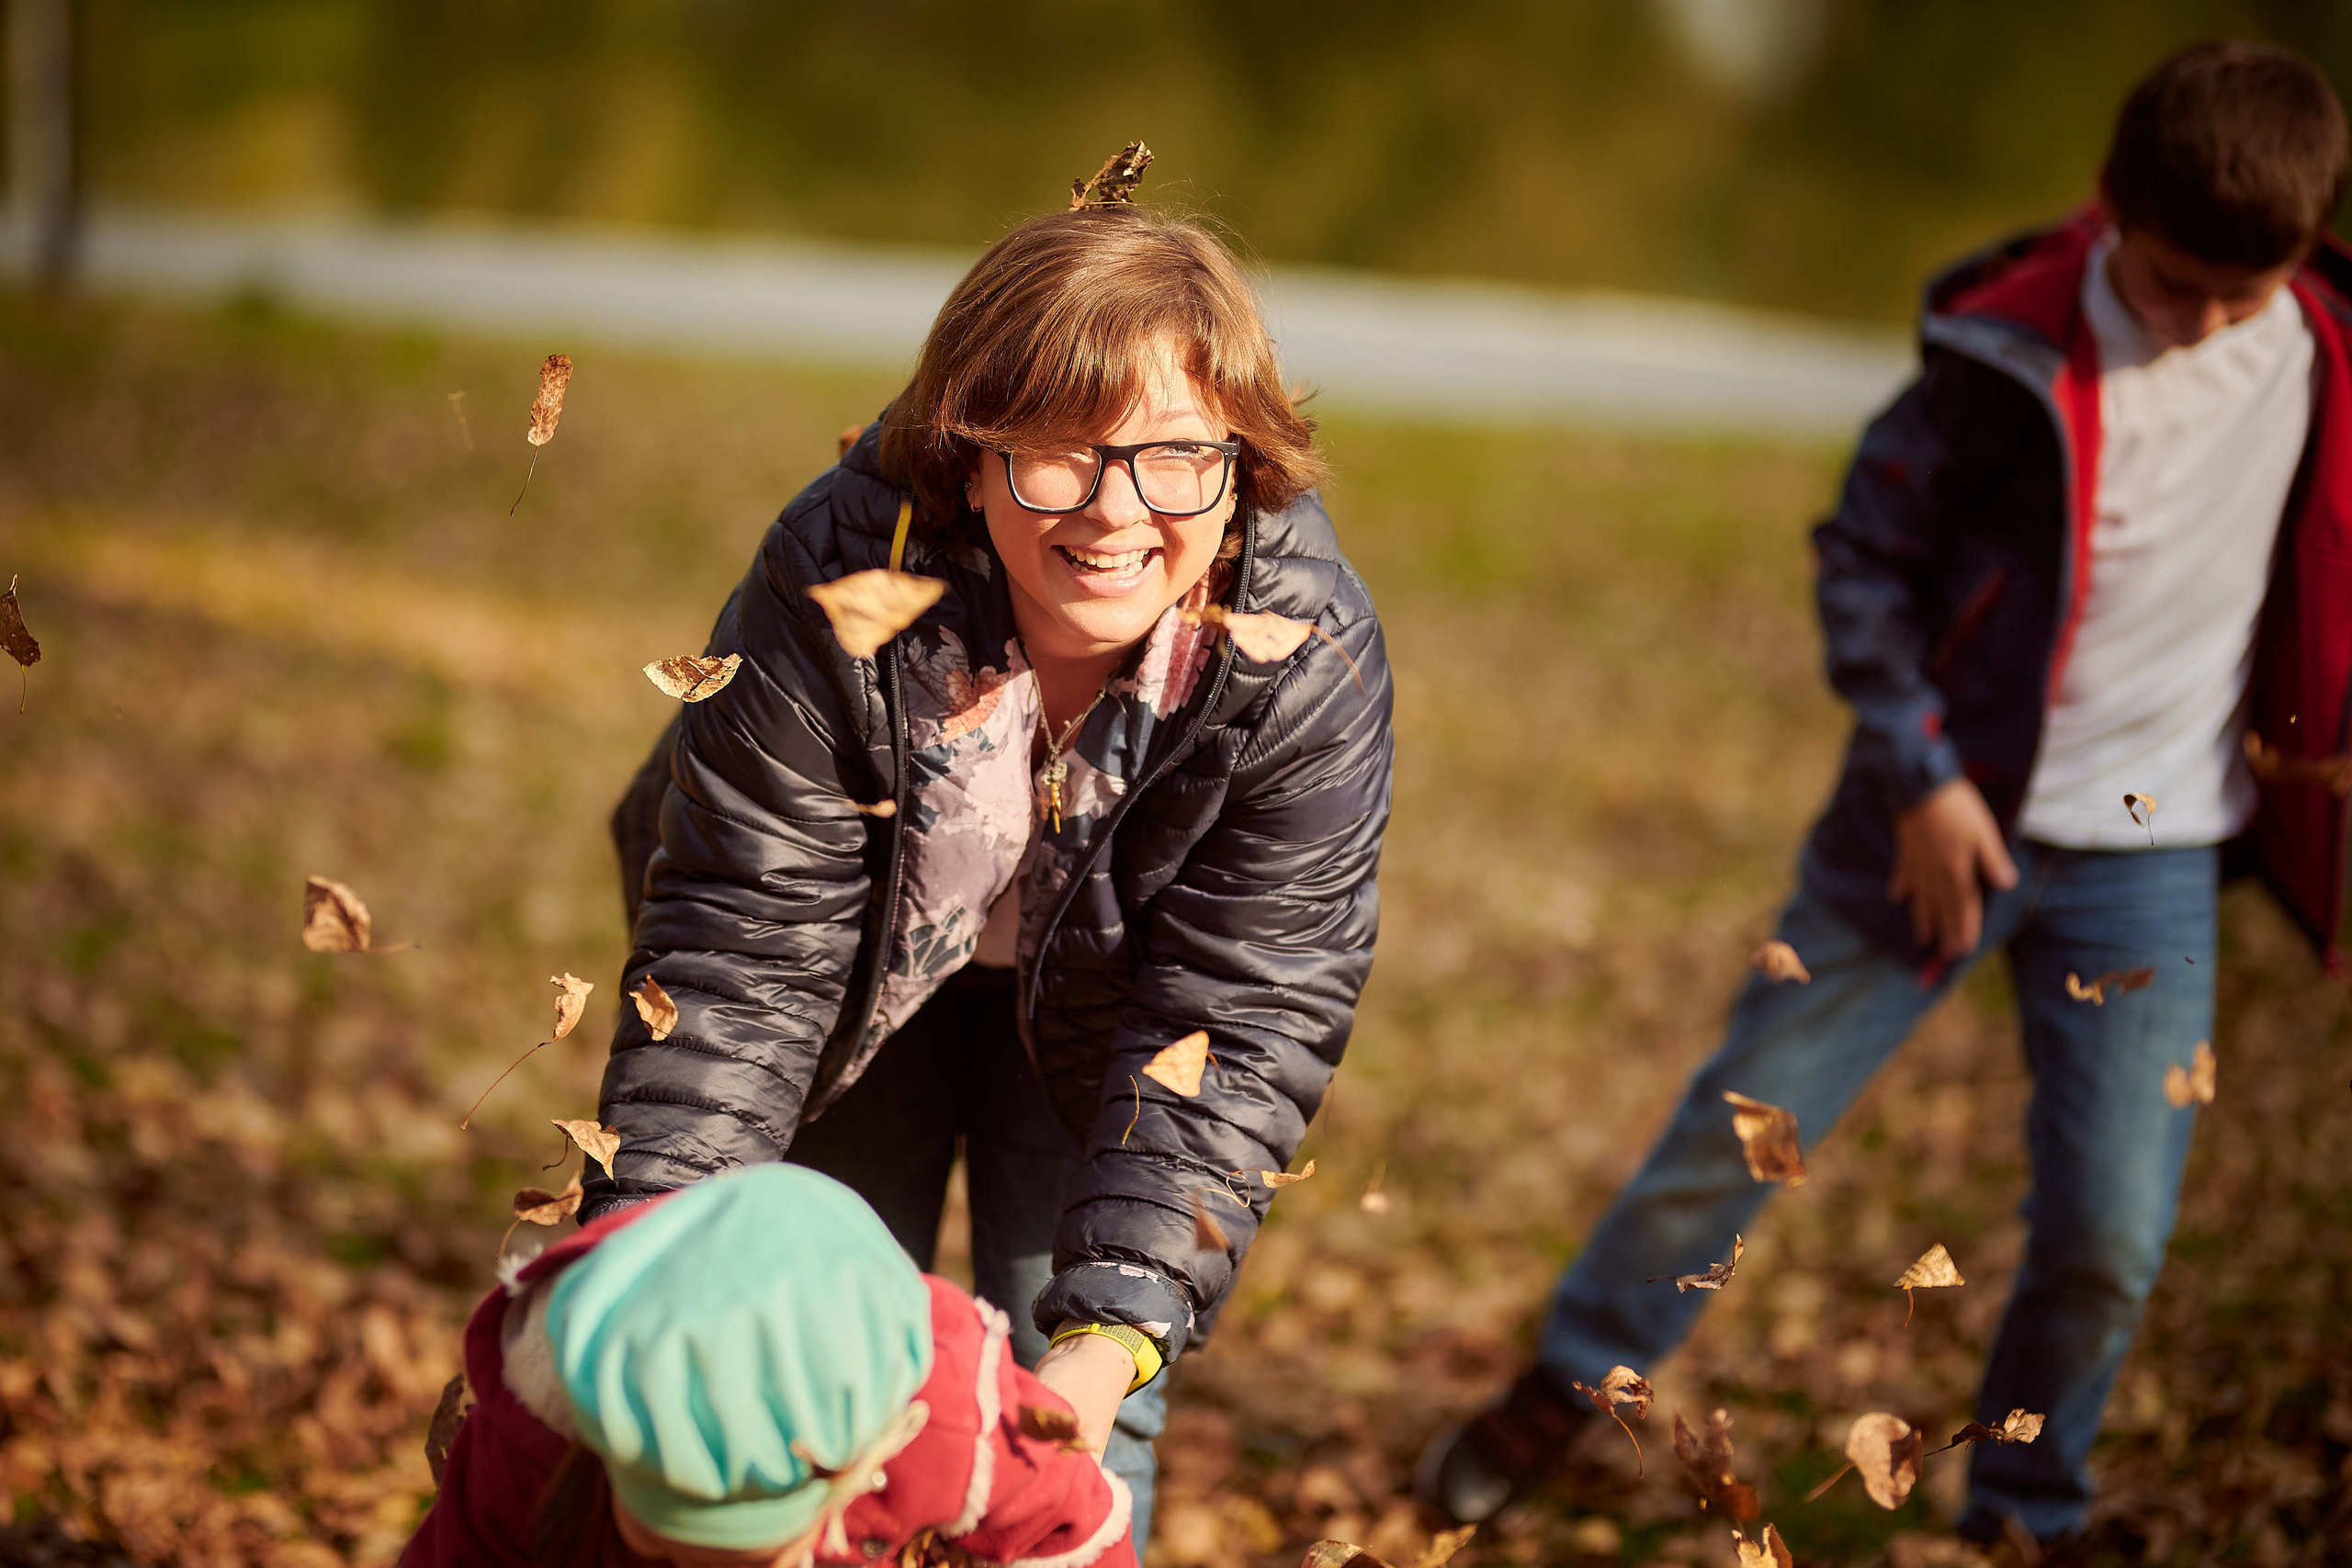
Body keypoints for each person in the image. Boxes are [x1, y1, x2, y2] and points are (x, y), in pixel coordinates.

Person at [1418, 40, 2352, 1550]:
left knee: (2113, 1228)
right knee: (1739, 1132)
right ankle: (1572, 1381)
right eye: (2175, 284)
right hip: (1928, 825)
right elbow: (1861, 561)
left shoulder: (2325, 348)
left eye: (2242, 297)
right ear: (2113, 208)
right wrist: (1921, 777)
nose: (2201, 326)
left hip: (2150, 857)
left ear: (2302, 256)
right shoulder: (2003, 356)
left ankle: (2028, 1504)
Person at [592, 157, 1394, 1551]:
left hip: (1108, 1021)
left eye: (1177, 454)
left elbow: (1243, 1011)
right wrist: (654, 1258)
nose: (1115, 508)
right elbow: (743, 946)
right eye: (1057, 452)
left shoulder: (1301, 657)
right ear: (968, 453)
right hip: (841, 981)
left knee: (1068, 1387)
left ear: (1242, 461)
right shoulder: (842, 568)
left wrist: (1105, 1347)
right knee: (795, 1371)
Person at [402, 1163, 1138, 1567]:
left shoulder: (958, 1421)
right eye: (664, 1538)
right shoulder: (541, 1427)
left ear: (861, 1461)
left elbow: (1078, 1537)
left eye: (744, 1559)